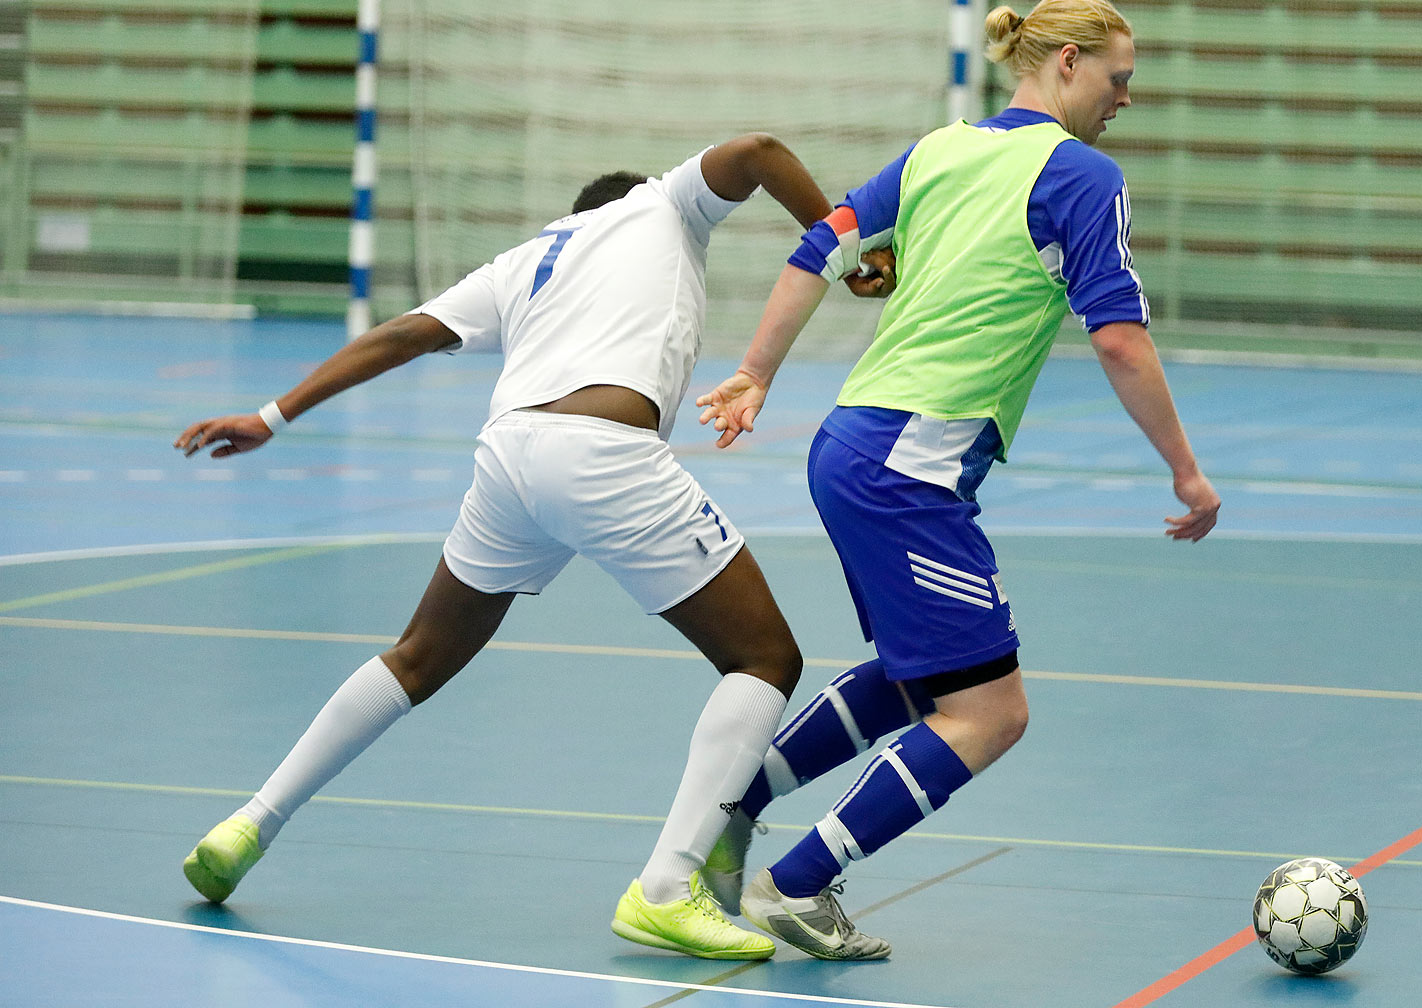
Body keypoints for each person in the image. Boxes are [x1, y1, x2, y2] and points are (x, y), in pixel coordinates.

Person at [173, 134, 892, 961]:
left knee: (415, 658)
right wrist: (846, 247)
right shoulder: (659, 203)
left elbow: (401, 336)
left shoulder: (528, 260)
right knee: (765, 659)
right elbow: (761, 150)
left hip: (509, 458)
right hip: (603, 452)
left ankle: (248, 823)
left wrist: (270, 417)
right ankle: (667, 886)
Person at [695, 0, 1221, 960]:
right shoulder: (1081, 177)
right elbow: (1119, 341)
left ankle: (721, 818)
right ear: (1066, 62)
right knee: (991, 710)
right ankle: (793, 883)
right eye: (1120, 78)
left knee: (915, 675)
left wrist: (756, 372)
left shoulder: (940, 149)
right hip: (907, 465)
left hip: (854, 440)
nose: (1126, 98)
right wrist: (1187, 473)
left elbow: (824, 244)